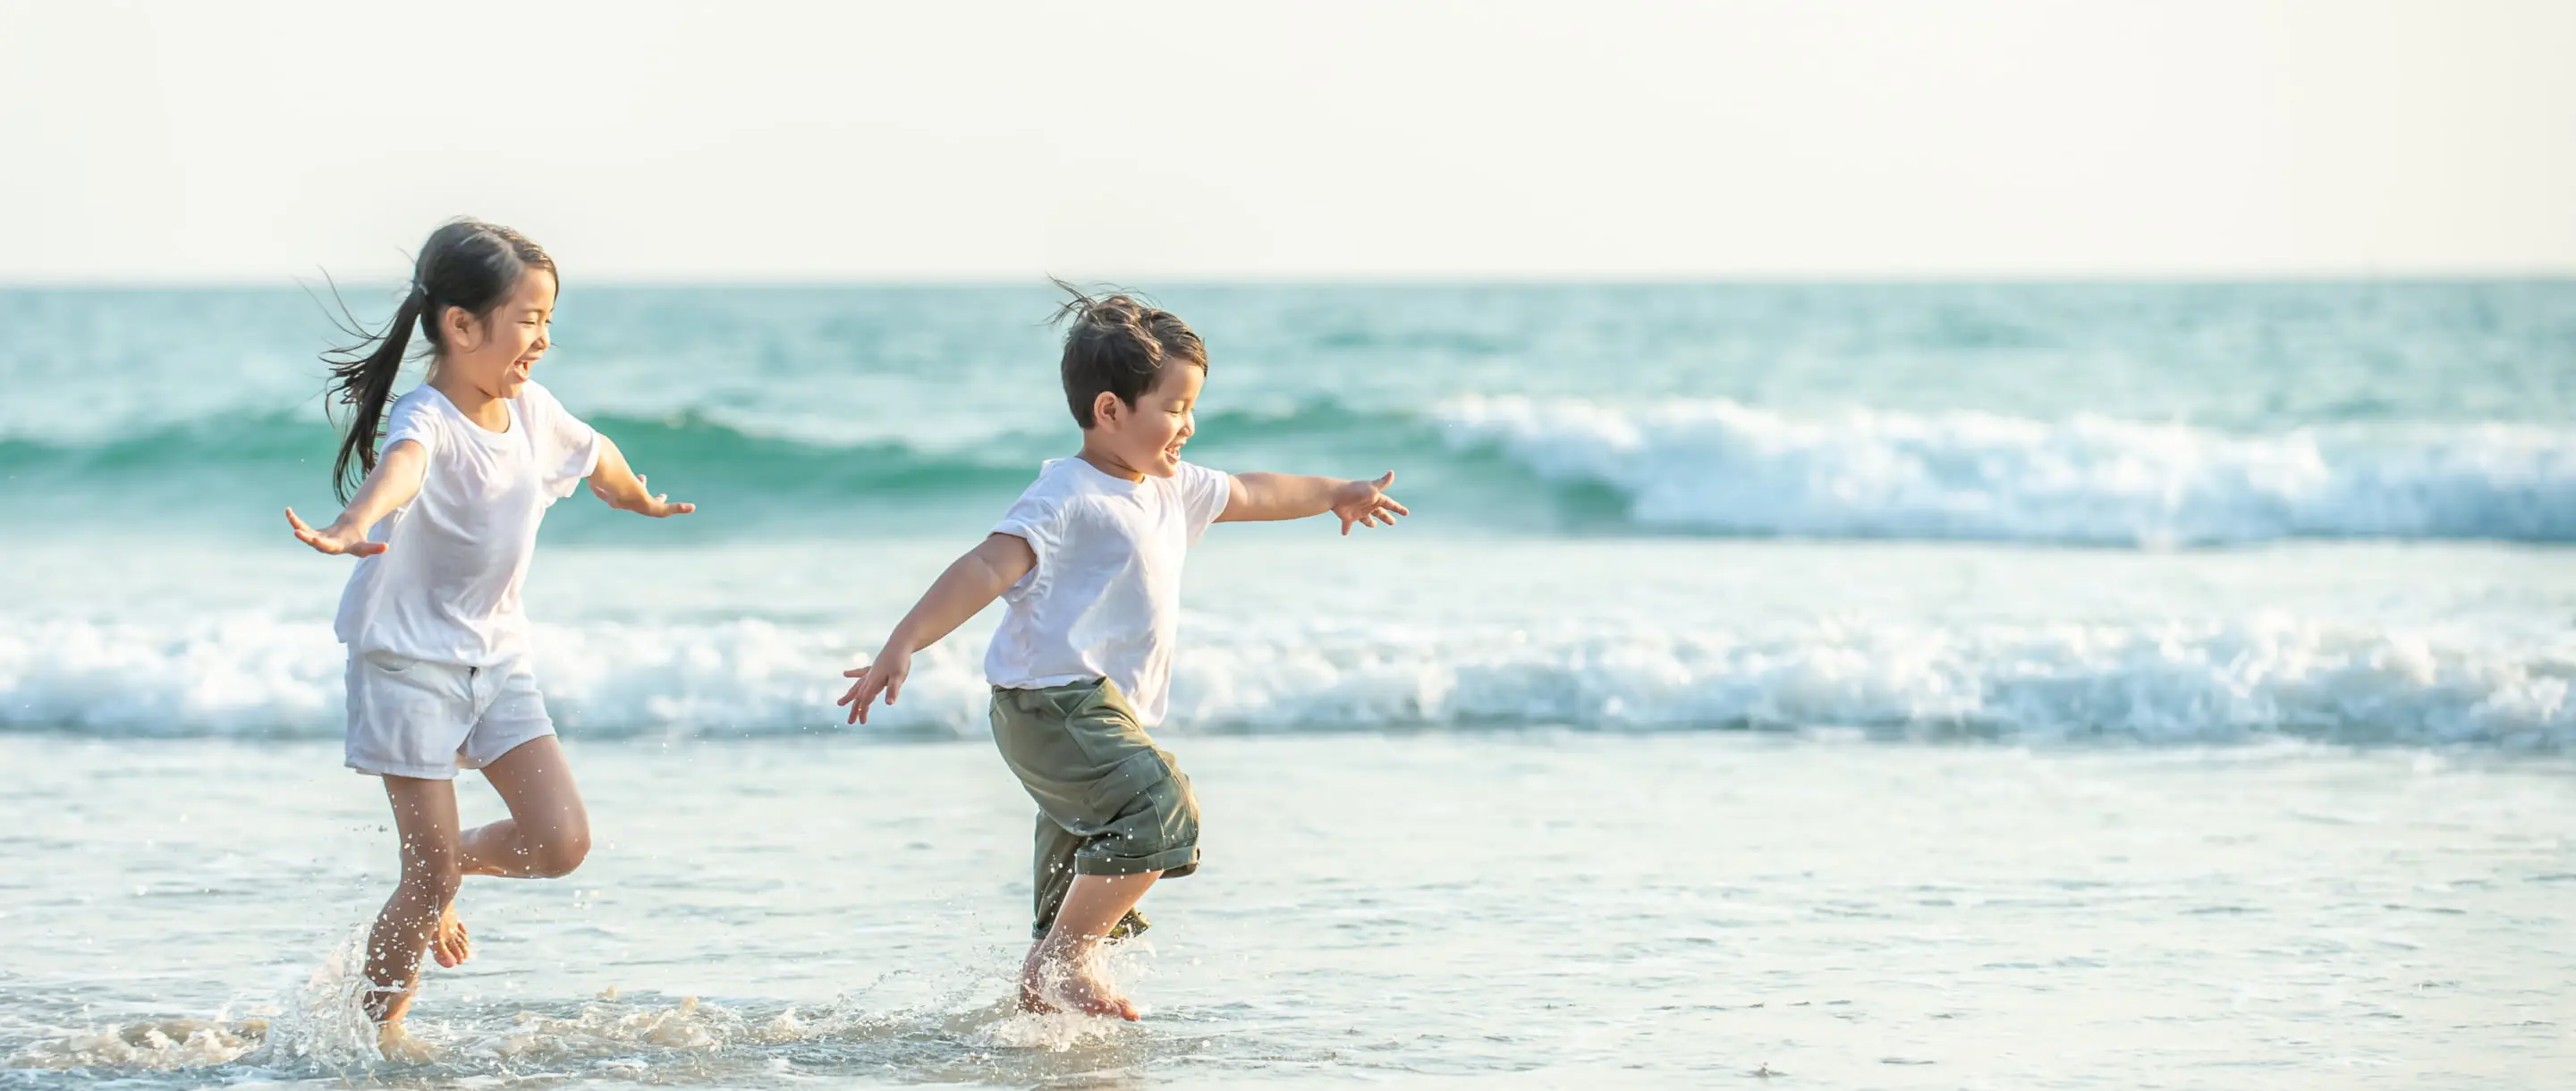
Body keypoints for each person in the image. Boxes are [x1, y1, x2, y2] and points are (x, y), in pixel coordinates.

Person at [835, 286, 1408, 1019]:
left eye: (1191, 405)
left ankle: (1048, 1006)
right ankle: (1063, 967)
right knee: (1158, 807)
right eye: (1173, 407)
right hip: (1053, 703)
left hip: (1098, 710)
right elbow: (986, 566)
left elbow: (1257, 491)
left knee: (1081, 861)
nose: (1189, 425)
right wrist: (904, 642)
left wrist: (1336, 492)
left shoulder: (1172, 489)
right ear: (1110, 411)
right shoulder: (1066, 495)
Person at [283, 219, 693, 1058]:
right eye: (529, 319)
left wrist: (635, 498)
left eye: (548, 319)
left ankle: (449, 871)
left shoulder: (534, 412)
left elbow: (596, 452)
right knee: (423, 877)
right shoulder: (426, 418)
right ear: (461, 326)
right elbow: (397, 474)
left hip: (498, 662)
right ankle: (375, 1043)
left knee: (561, 842)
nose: (543, 339)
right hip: (406, 664)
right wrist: (350, 522)